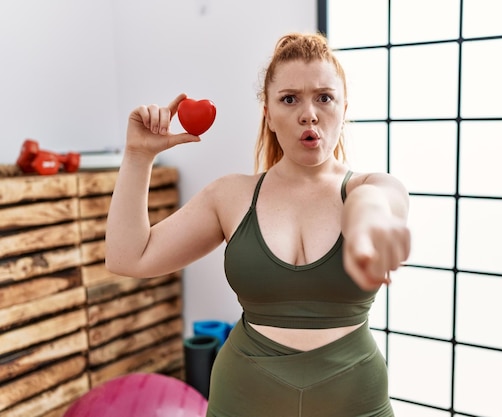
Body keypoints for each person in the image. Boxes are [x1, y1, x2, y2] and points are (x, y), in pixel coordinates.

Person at [105, 32, 411, 417]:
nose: (309, 113)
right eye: (289, 98)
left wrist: (368, 218)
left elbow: (381, 204)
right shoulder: (230, 195)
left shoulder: (373, 187)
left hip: (354, 397)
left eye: (324, 97)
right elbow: (128, 257)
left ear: (344, 108)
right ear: (267, 112)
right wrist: (137, 157)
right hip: (245, 396)